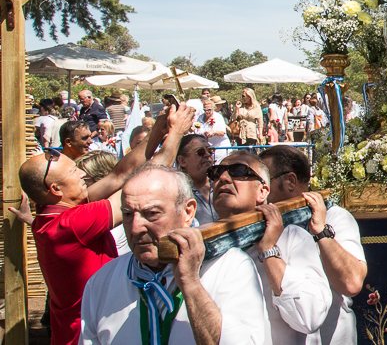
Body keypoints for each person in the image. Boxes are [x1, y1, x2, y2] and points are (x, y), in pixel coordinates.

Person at [19, 105, 193, 345]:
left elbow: (119, 174)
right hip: (84, 335)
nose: (82, 175)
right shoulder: (71, 224)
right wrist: (177, 132)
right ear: (56, 189)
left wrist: (157, 131)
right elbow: (147, 180)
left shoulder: (55, 211)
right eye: (73, 172)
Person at [79, 164, 268, 344]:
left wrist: (191, 285)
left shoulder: (230, 267)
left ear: (188, 212)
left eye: (151, 213)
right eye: (128, 214)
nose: (136, 228)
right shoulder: (101, 283)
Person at [211, 151, 331, 345]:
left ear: (263, 191)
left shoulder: (292, 238)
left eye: (238, 171)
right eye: (216, 173)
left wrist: (269, 250)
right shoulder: (204, 248)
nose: (223, 178)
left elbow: (309, 317)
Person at [261, 146, 370, 345]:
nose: (261, 191)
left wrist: (321, 231)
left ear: (290, 181)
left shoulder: (336, 217)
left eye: (265, 182)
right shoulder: (259, 223)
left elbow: (352, 283)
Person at [176, 134, 218, 226]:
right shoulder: (177, 194)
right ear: (182, 161)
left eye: (210, 151)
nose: (207, 155)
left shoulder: (221, 185)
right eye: (200, 152)